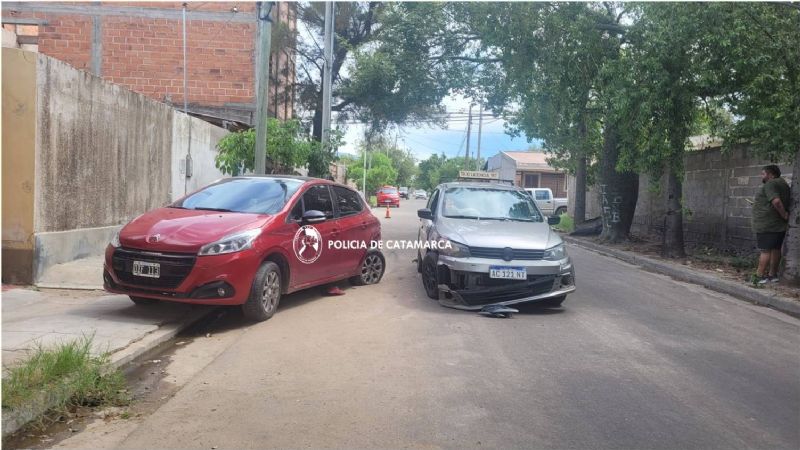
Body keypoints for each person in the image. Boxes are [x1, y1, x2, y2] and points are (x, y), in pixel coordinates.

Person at [751, 164, 790, 284]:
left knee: (765, 250)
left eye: (763, 174)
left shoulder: (770, 184)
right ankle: (772, 275)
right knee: (775, 249)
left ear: (771, 175)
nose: (761, 176)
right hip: (778, 224)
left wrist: (784, 214)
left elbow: (776, 202)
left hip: (767, 224)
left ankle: (759, 277)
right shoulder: (783, 184)